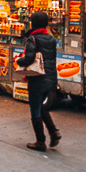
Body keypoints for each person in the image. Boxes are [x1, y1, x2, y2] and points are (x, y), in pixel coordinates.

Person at [16, 11, 61, 151]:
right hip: (50, 78)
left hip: (37, 79)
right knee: (40, 106)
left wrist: (18, 60)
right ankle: (54, 132)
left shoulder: (33, 39)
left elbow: (29, 58)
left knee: (35, 110)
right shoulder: (51, 38)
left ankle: (40, 141)